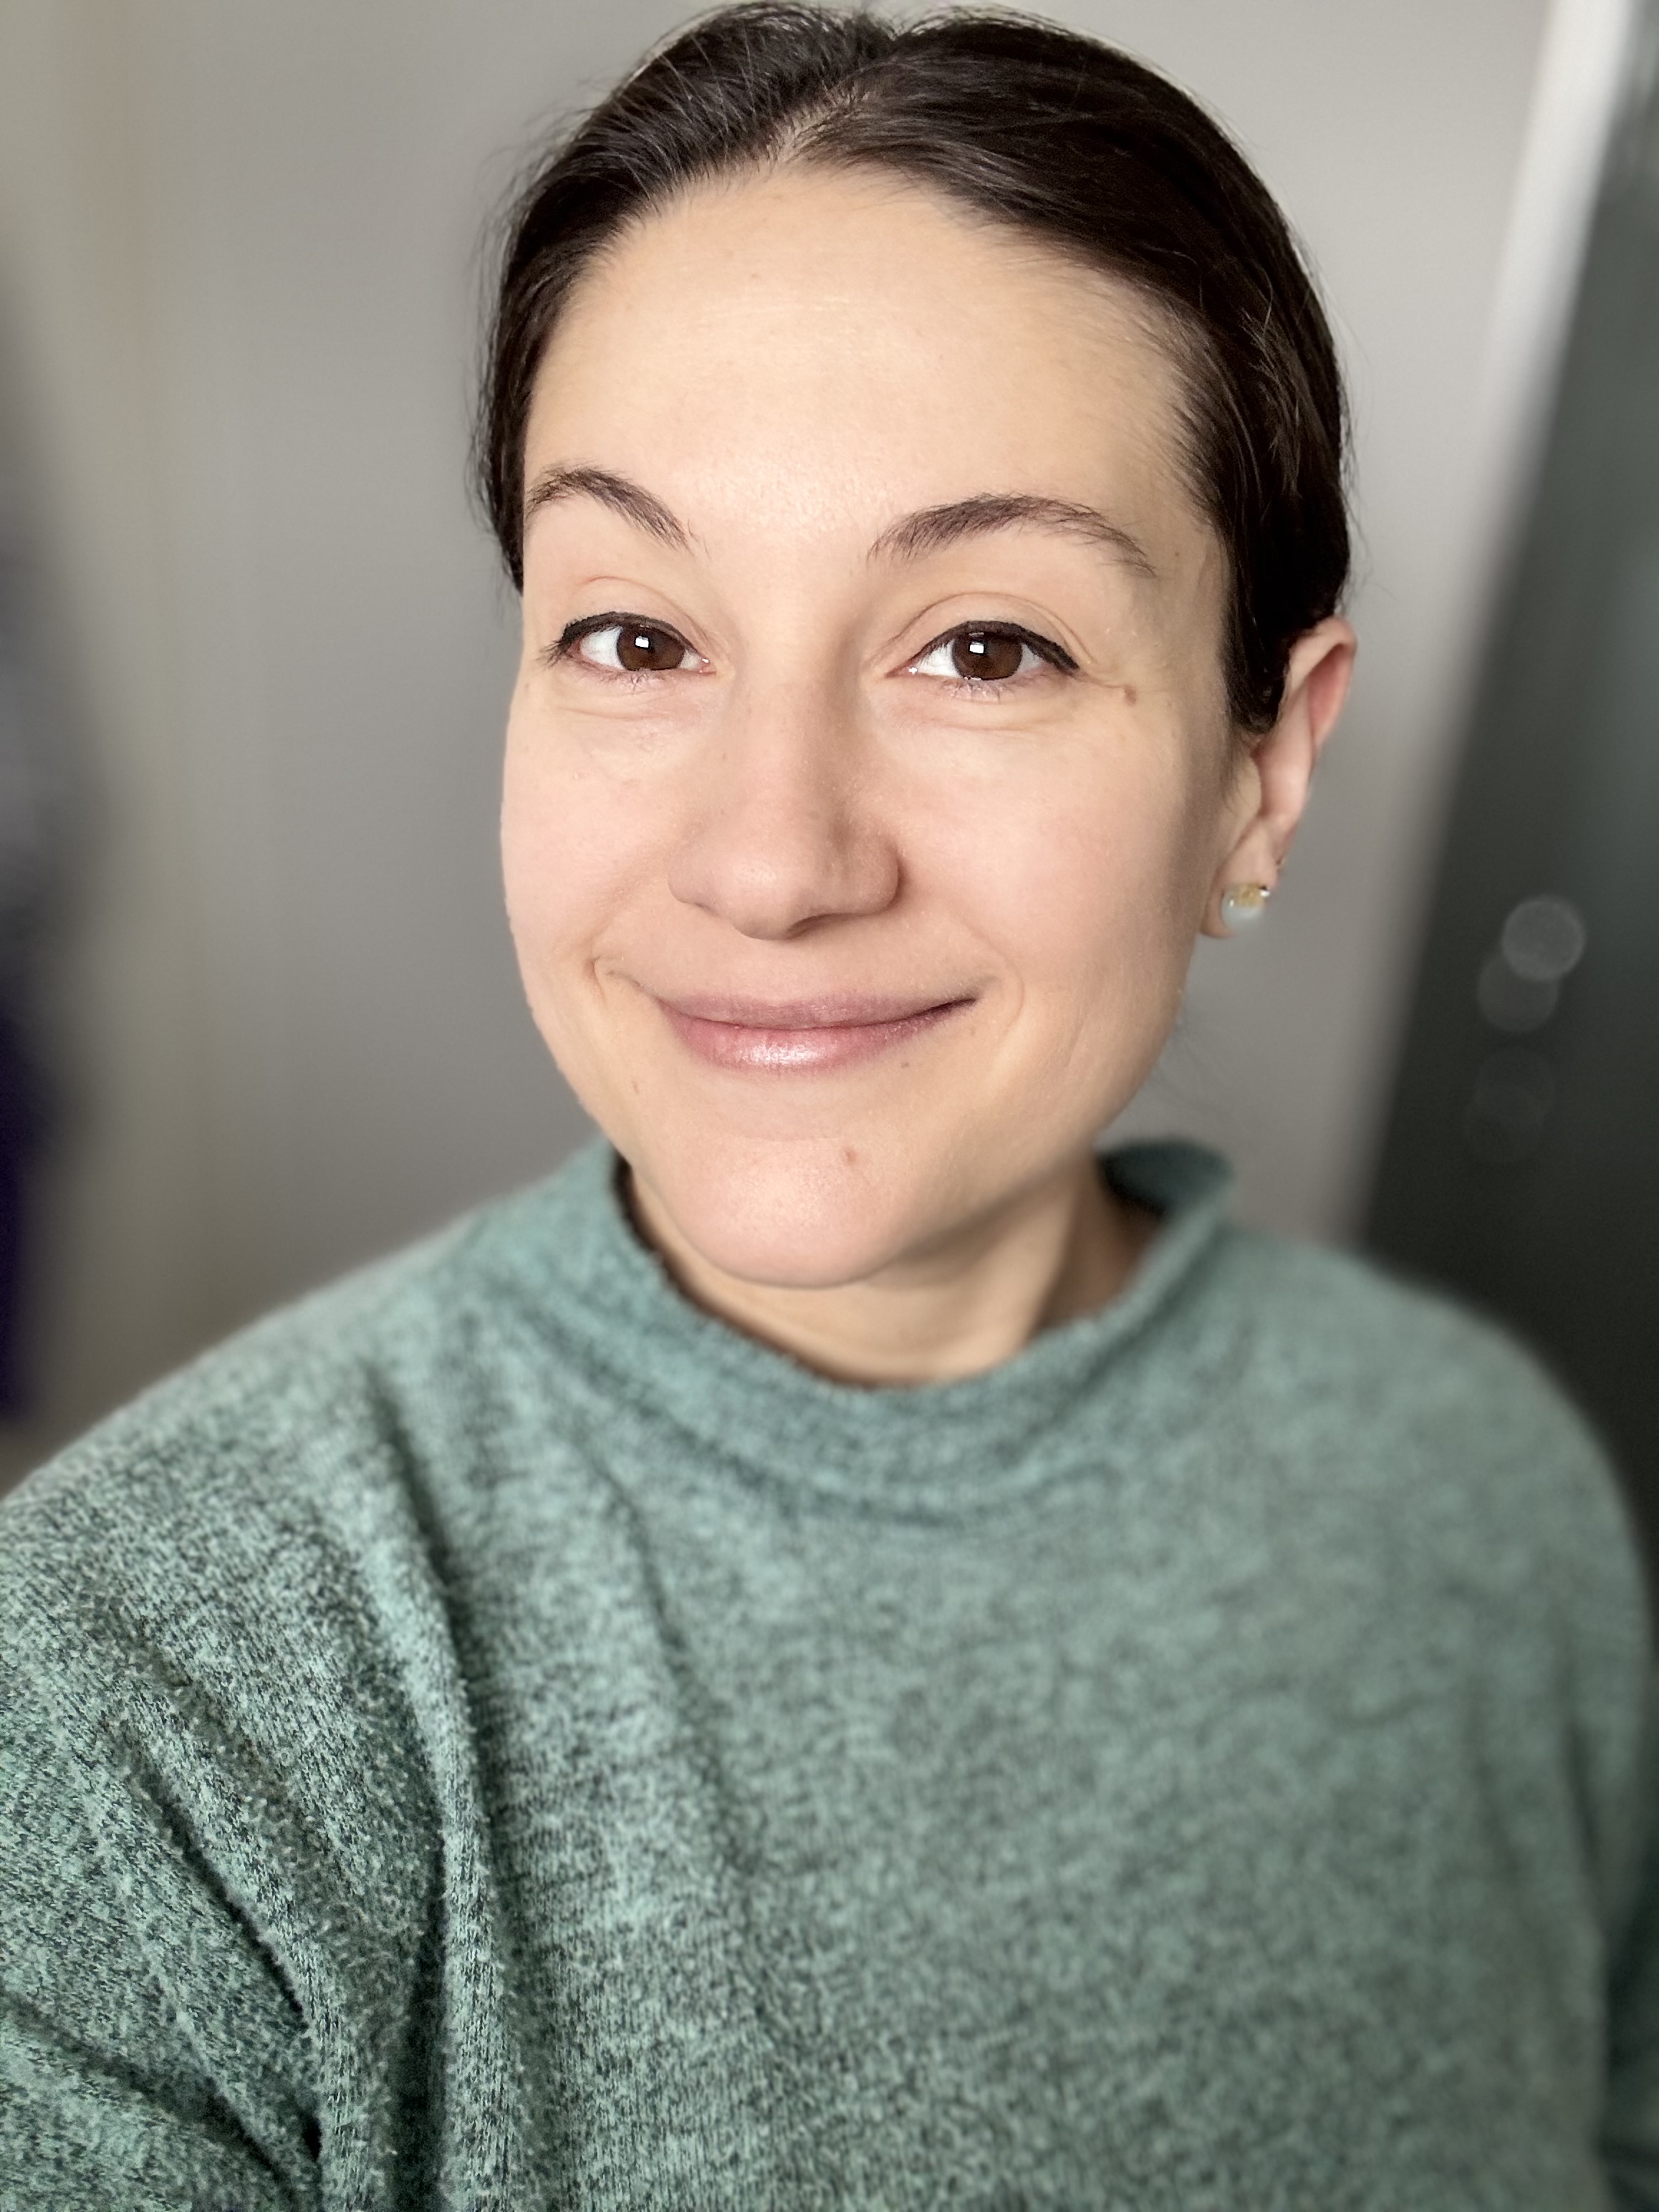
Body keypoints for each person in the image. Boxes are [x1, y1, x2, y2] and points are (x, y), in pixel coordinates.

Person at [2, 6, 1655, 2205]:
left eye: (984, 646)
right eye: (635, 637)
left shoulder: (1484, 1497)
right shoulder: (132, 1693)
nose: (771, 861)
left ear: (1261, 771)